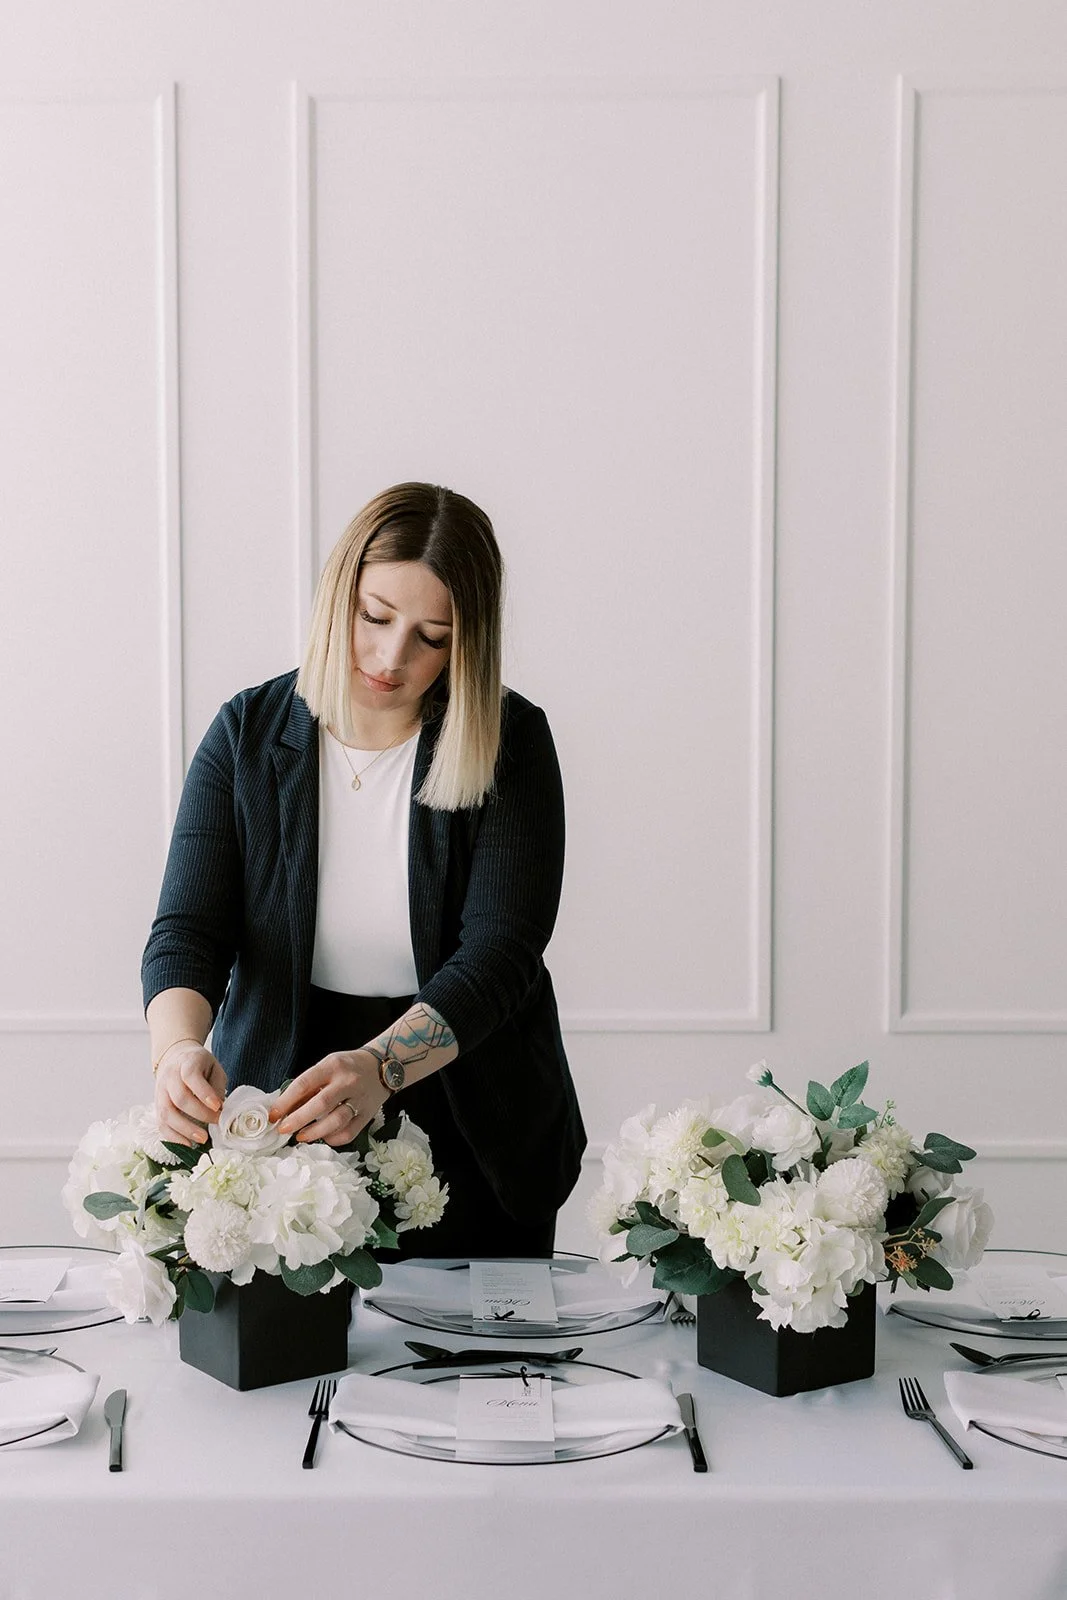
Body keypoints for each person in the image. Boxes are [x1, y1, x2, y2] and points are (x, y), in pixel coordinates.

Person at [143, 482, 585, 1257]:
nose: (391, 657)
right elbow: (188, 930)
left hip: (470, 1101)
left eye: (433, 636)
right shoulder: (247, 732)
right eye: (374, 618)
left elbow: (500, 953)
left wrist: (383, 1067)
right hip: (285, 1103)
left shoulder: (510, 741)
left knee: (479, 1373)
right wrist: (177, 1051)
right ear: (338, 594)